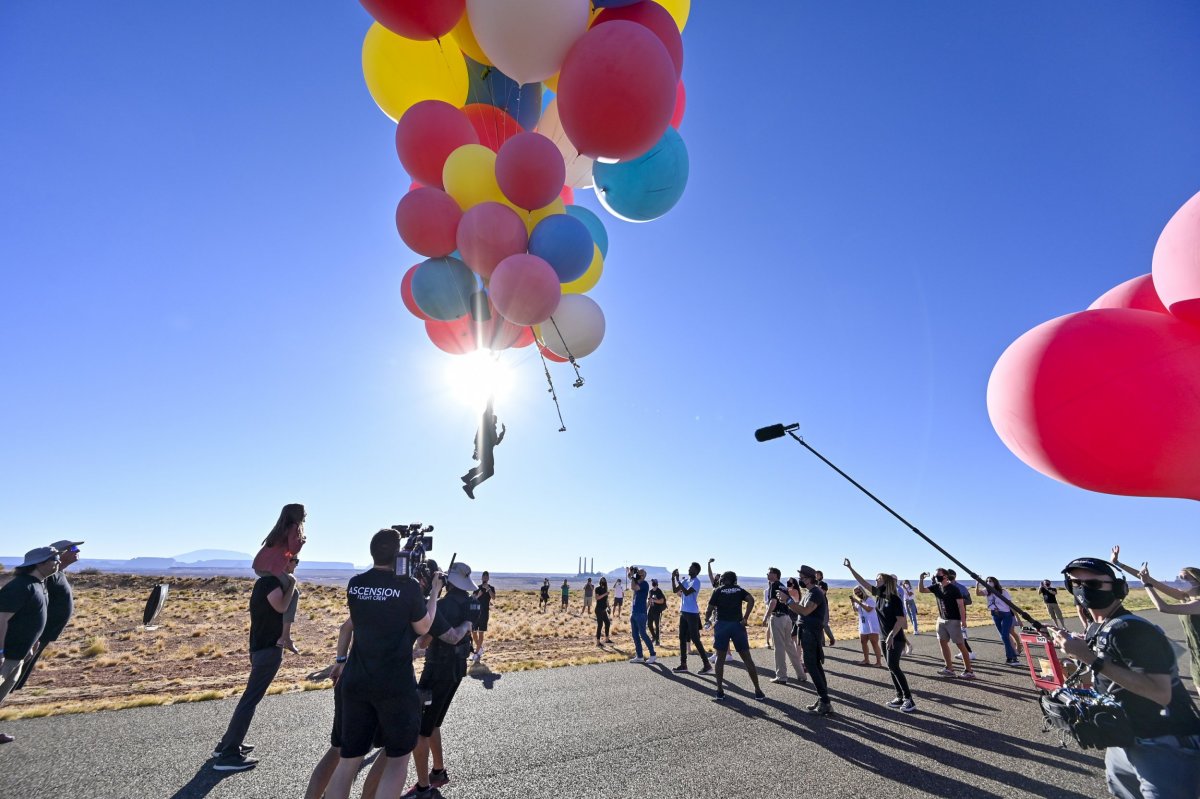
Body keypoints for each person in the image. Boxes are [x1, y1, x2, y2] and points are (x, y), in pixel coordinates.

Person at [1050, 557, 1200, 798]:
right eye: (1075, 583)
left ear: (1118, 588)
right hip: (1123, 737)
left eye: (1094, 584)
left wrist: (1090, 658)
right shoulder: (1096, 627)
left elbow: (1161, 693)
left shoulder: (1131, 629)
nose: (1083, 589)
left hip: (1162, 741)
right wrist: (1076, 662)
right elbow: (1107, 677)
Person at [322, 529, 439, 799]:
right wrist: (433, 593)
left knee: (349, 760)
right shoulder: (408, 587)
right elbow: (423, 628)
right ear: (399, 554)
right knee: (398, 757)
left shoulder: (355, 584)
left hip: (357, 679)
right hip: (394, 684)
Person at [211, 554, 299, 770]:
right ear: (283, 562)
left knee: (249, 699)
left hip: (260, 647)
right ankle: (229, 755)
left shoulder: (264, 582)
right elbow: (280, 607)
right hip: (268, 649)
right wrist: (293, 585)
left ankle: (227, 744)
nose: (296, 565)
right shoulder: (270, 583)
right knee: (250, 700)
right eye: (294, 560)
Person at [405, 562, 477, 798]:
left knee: (421, 729)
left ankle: (424, 787)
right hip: (457, 669)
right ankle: (438, 771)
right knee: (433, 722)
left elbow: (423, 641)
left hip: (437, 670)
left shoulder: (442, 606)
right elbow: (469, 627)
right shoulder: (470, 602)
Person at [0, 546, 58, 742]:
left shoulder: (39, 585)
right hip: (6, 654)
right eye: (54, 559)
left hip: (19, 654)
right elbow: (2, 619)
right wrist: (0, 651)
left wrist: (31, 645)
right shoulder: (20, 586)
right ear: (40, 563)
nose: (57, 562)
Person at [845, 560, 915, 712]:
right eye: (876, 579)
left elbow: (901, 620)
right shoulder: (879, 595)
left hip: (895, 637)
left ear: (886, 582)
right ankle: (899, 697)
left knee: (894, 666)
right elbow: (862, 582)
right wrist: (851, 568)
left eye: (879, 579)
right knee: (890, 667)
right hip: (884, 637)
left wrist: (891, 635)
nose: (876, 581)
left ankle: (909, 699)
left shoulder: (894, 598)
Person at [14, 539, 83, 692]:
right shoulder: (48, 576)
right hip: (37, 633)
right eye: (73, 548)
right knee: (15, 667)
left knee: (22, 668)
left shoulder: (57, 573)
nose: (77, 551)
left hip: (44, 632)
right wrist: (35, 633)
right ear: (60, 552)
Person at [1137, 562, 1200, 701]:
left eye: (1184, 577)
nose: (1179, 580)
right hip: (1196, 657)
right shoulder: (1185, 598)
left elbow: (1164, 607)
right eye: (1178, 576)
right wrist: (1118, 564)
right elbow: (1155, 583)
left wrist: (1147, 585)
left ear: (1197, 581)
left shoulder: (1198, 603)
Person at [252, 503, 306, 654]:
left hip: (261, 567)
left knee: (290, 589)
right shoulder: (294, 527)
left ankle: (285, 637)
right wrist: (301, 541)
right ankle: (285, 637)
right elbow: (294, 548)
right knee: (293, 591)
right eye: (304, 513)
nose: (305, 516)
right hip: (270, 570)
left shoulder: (280, 528)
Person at [704, 571, 765, 701]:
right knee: (747, 658)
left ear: (723, 580)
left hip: (722, 626)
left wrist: (707, 620)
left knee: (720, 659)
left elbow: (709, 608)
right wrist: (745, 618)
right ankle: (758, 690)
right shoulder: (738, 590)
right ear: (734, 580)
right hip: (737, 626)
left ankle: (720, 691)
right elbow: (751, 600)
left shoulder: (718, 590)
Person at [783, 565, 834, 715]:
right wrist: (795, 629)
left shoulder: (815, 593)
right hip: (806, 632)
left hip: (811, 633)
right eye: (800, 578)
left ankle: (824, 701)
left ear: (810, 578)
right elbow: (801, 613)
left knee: (812, 666)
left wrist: (788, 602)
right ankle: (823, 699)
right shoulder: (809, 592)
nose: (800, 580)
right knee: (815, 666)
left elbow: (805, 611)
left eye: (802, 578)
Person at [918, 568, 975, 679]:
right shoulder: (936, 587)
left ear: (945, 576)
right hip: (941, 619)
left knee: (960, 645)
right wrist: (921, 579)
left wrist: (963, 621)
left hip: (953, 620)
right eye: (935, 575)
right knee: (942, 642)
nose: (935, 577)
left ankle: (969, 671)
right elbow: (922, 590)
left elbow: (961, 605)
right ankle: (949, 668)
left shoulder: (954, 589)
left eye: (937, 575)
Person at [761, 567, 805, 685]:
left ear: (775, 575)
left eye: (769, 573)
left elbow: (773, 602)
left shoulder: (774, 585)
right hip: (787, 618)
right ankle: (801, 674)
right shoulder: (783, 586)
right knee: (790, 646)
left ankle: (781, 676)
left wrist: (766, 616)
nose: (767, 574)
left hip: (778, 618)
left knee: (779, 648)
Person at [671, 563, 711, 674]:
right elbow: (675, 590)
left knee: (695, 639)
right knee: (682, 638)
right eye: (689, 567)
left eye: (691, 568)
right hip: (683, 612)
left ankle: (707, 665)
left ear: (696, 571)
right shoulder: (686, 580)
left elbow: (687, 592)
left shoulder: (696, 582)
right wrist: (673, 578)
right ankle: (683, 664)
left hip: (692, 614)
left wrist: (679, 580)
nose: (688, 569)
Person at [461, 396, 505, 499]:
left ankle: (469, 481)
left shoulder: (493, 432)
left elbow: (496, 442)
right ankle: (469, 482)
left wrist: (503, 433)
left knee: (488, 470)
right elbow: (489, 406)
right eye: (495, 419)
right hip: (485, 449)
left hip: (488, 451)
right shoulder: (486, 421)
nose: (496, 422)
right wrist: (492, 395)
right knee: (489, 471)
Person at [976, 577, 1022, 666]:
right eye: (987, 581)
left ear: (995, 582)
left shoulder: (1003, 592)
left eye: (991, 581)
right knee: (1003, 636)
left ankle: (1012, 658)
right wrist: (977, 584)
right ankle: (1012, 657)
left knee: (1005, 635)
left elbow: (1011, 605)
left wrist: (1018, 618)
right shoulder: (987, 591)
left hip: (1006, 615)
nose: (989, 582)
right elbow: (978, 594)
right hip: (995, 614)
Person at [626, 567, 657, 664]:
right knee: (635, 635)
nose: (639, 573)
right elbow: (632, 583)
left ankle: (653, 654)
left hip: (641, 613)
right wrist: (631, 575)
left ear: (644, 575)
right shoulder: (636, 581)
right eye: (638, 572)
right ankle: (639, 656)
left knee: (643, 634)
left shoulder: (644, 584)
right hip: (634, 612)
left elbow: (633, 587)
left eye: (641, 573)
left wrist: (633, 577)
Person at [947, 569, 975, 661]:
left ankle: (970, 652)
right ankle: (963, 652)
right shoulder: (944, 587)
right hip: (949, 615)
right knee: (956, 635)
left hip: (959, 614)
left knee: (961, 635)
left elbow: (969, 601)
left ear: (954, 576)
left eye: (950, 575)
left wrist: (958, 601)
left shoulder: (961, 587)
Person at [850, 586, 883, 666]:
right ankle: (866, 659)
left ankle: (879, 662)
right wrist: (853, 603)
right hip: (863, 623)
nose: (858, 594)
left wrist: (858, 602)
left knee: (874, 642)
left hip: (872, 623)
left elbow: (869, 609)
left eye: (859, 592)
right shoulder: (860, 600)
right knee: (863, 641)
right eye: (856, 593)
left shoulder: (869, 599)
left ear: (862, 591)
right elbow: (856, 610)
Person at [470, 571, 496, 664]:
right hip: (475, 613)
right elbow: (472, 599)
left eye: (486, 577)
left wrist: (488, 589)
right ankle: (480, 647)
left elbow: (493, 598)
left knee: (481, 633)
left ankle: (476, 653)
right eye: (483, 576)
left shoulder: (491, 588)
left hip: (484, 614)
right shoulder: (476, 588)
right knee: (473, 633)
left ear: (488, 578)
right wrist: (478, 595)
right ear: (481, 578)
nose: (485, 578)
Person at [815, 569, 836, 646]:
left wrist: (817, 587)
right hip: (816, 606)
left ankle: (832, 639)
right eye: (815, 574)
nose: (816, 576)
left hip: (823, 605)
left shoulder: (824, 584)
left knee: (824, 624)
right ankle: (822, 642)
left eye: (818, 574)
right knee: (819, 624)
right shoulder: (813, 584)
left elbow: (823, 592)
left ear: (821, 576)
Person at [647, 579, 666, 646]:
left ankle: (657, 640)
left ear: (656, 583)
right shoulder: (650, 591)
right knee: (649, 624)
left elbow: (662, 601)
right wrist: (646, 608)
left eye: (654, 582)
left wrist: (654, 600)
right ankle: (654, 636)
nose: (653, 583)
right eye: (652, 582)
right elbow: (649, 601)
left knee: (657, 626)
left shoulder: (659, 591)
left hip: (657, 611)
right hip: (651, 610)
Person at [594, 577, 612, 645]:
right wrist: (605, 594)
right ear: (600, 581)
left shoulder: (605, 589)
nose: (603, 581)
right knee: (600, 625)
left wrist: (609, 607)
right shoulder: (597, 589)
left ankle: (607, 639)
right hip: (598, 609)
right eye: (602, 580)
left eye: (604, 580)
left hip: (604, 610)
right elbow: (597, 598)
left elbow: (606, 600)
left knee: (607, 623)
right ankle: (598, 642)